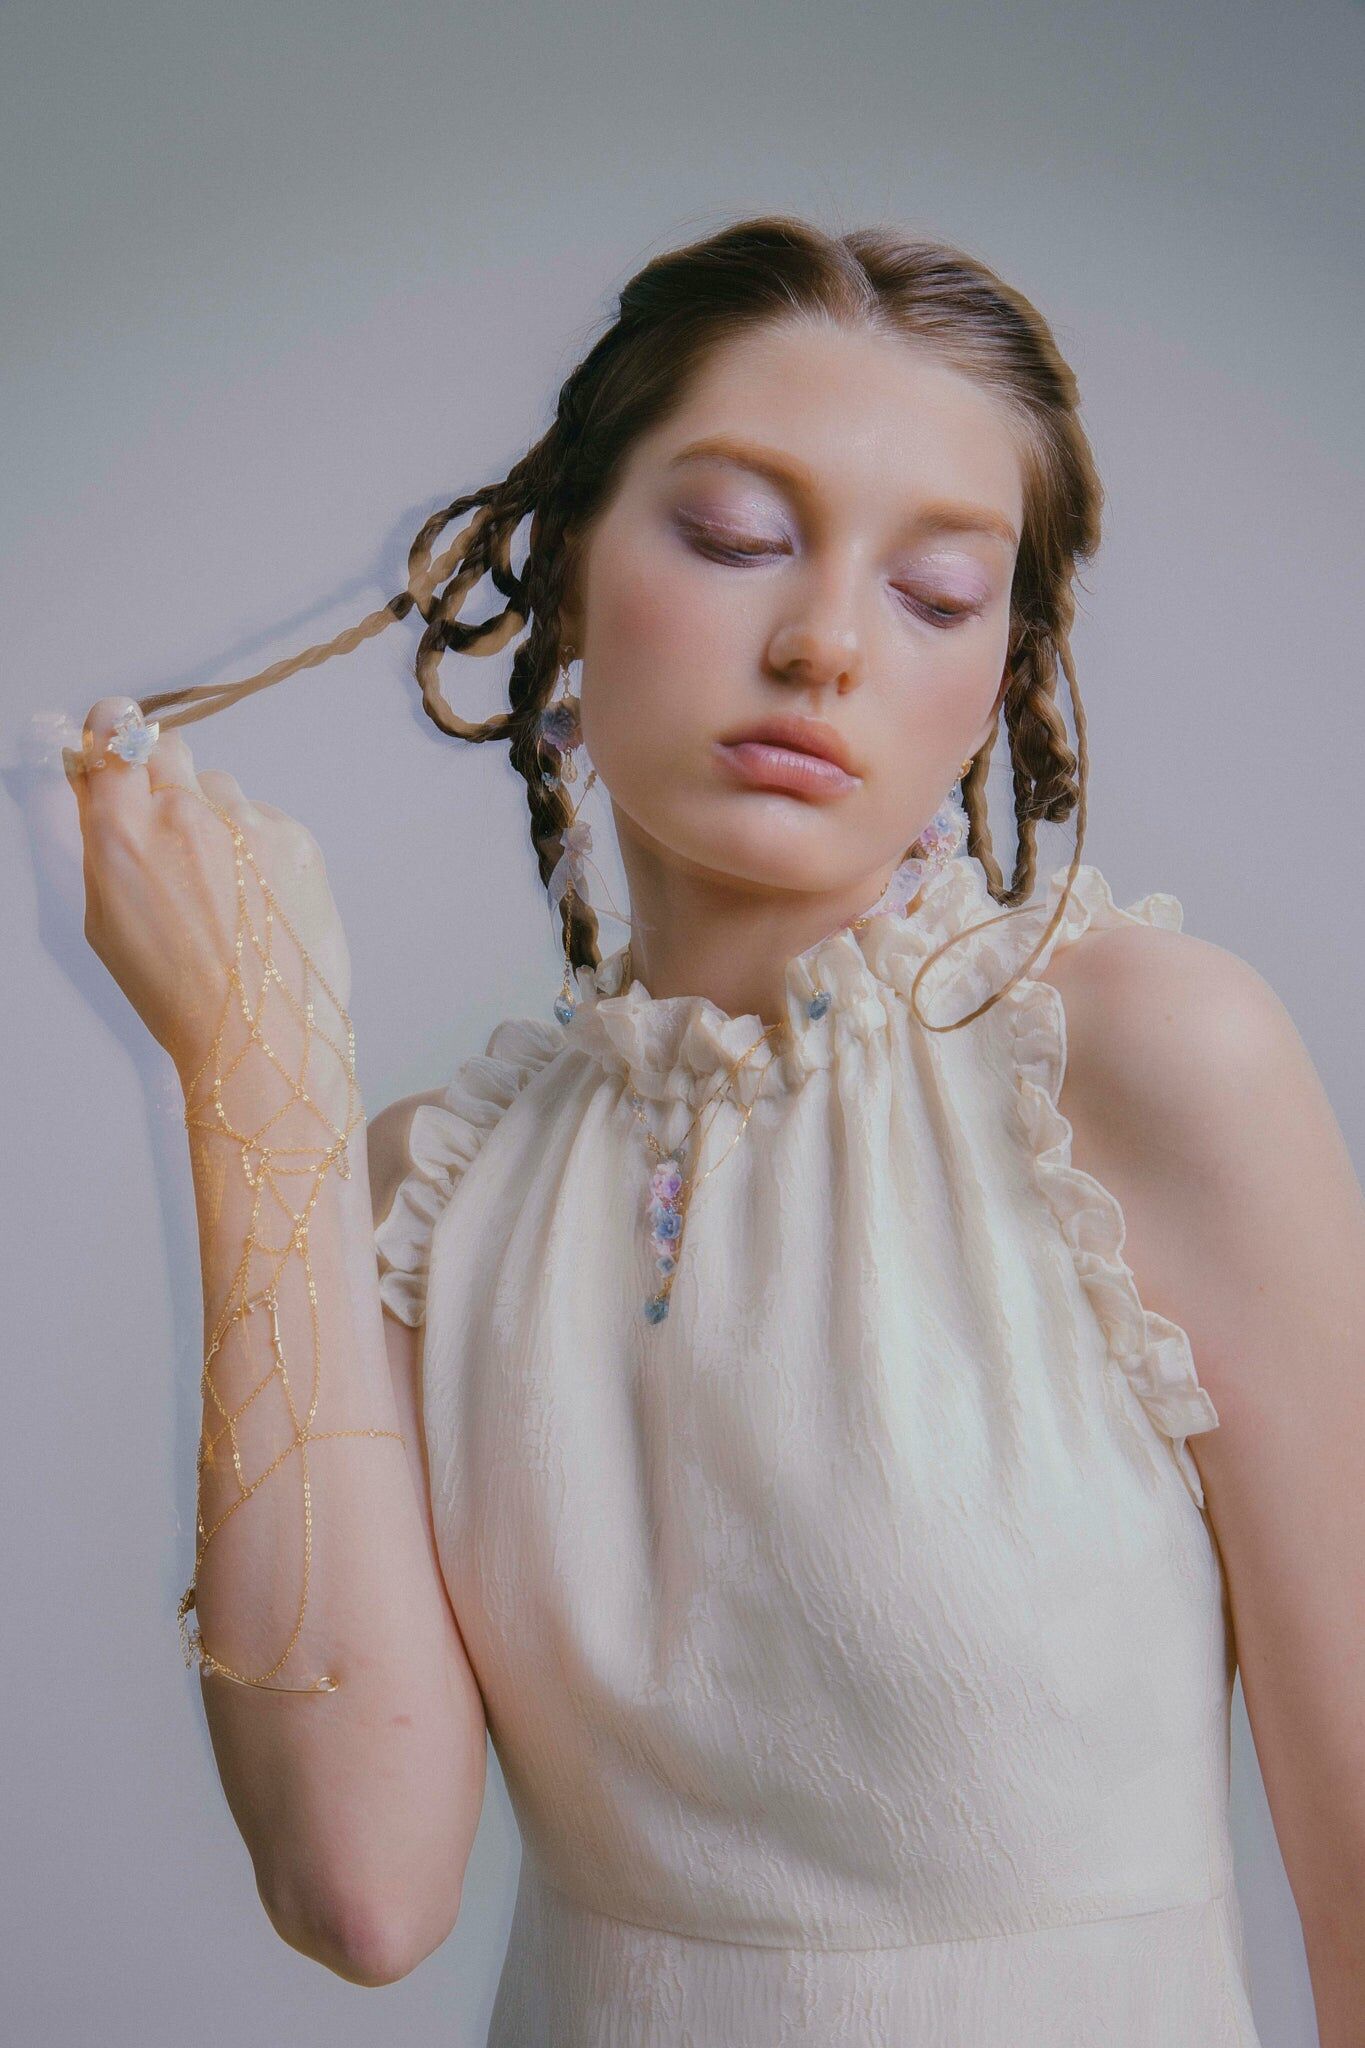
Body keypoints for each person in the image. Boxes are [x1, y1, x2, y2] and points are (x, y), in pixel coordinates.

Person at [62, 215, 1364, 2046]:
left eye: (935, 595)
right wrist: (250, 1079)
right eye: (738, 539)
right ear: (568, 574)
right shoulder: (437, 1193)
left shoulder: (1135, 1062)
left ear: (998, 672)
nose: (823, 642)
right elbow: (359, 1890)